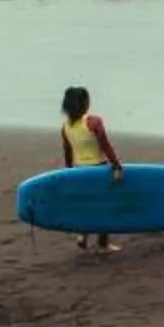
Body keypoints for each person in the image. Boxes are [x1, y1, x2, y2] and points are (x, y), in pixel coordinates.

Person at [58, 83, 126, 257]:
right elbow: (105, 146)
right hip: (98, 169)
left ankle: (82, 235)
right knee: (104, 205)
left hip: (79, 170)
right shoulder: (93, 122)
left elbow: (68, 152)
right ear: (84, 103)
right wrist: (117, 166)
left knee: (86, 203)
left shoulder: (65, 127)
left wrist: (69, 173)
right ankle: (103, 244)